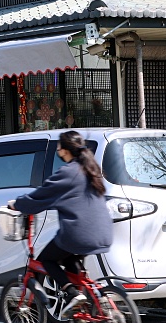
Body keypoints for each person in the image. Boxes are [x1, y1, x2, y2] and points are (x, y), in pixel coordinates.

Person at [11, 131, 113, 313]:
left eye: (59, 146)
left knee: (46, 260)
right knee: (69, 257)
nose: (57, 149)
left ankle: (73, 293)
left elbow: (41, 195)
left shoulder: (68, 172)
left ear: (64, 150)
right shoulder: (91, 169)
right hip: (103, 232)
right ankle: (91, 302)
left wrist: (17, 204)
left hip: (78, 234)